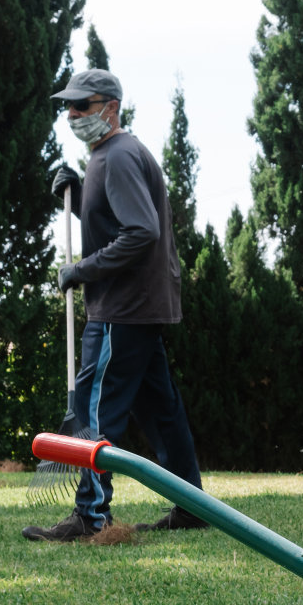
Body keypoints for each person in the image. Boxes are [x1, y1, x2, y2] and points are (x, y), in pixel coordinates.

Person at [22, 68, 209, 541]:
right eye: (67, 107)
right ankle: (193, 507)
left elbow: (140, 232)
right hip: (141, 308)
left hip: (120, 311)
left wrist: (81, 270)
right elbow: (118, 219)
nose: (71, 115)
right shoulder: (114, 154)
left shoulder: (118, 155)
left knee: (93, 409)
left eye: (80, 106)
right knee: (161, 412)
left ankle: (90, 517)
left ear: (109, 107)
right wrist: (78, 200)